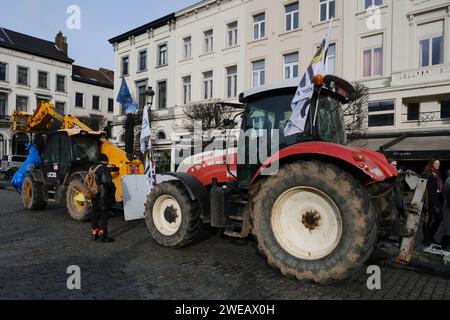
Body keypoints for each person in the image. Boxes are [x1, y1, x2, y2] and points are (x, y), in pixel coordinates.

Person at [90, 153, 116, 243]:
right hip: (103, 197)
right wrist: (113, 188)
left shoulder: (92, 168)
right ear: (105, 161)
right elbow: (107, 181)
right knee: (104, 215)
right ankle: (103, 236)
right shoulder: (103, 169)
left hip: (94, 195)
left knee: (95, 214)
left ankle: (94, 234)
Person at [423, 159, 444, 247]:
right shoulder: (427, 174)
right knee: (428, 220)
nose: (437, 165)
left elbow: (439, 188)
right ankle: (426, 239)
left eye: (438, 163)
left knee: (439, 218)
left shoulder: (438, 174)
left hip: (437, 199)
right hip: (429, 200)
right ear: (432, 164)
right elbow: (427, 190)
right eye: (436, 163)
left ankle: (430, 236)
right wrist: (426, 202)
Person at [441, 170, 450, 251]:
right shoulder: (448, 180)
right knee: (447, 228)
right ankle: (444, 245)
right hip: (448, 205)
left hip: (447, 204)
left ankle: (445, 244)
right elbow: (447, 193)